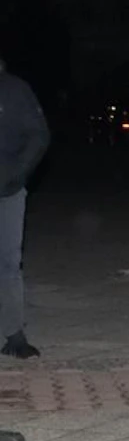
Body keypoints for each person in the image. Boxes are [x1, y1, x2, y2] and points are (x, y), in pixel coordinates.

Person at [0, 56, 50, 361]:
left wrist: (14, 175)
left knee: (7, 262)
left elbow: (39, 135)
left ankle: (14, 334)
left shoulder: (14, 91)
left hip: (7, 191)